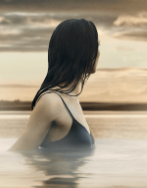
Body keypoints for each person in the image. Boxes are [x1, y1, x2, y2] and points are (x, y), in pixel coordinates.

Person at [9, 19, 98, 151]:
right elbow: (17, 153)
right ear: (79, 51)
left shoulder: (72, 99)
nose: (98, 54)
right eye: (95, 47)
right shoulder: (51, 102)